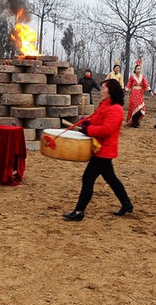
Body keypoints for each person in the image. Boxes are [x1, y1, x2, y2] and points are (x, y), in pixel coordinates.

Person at [62, 79, 134, 221]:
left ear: (111, 91)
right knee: (111, 178)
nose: (100, 91)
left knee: (88, 178)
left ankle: (79, 212)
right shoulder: (104, 105)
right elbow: (97, 120)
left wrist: (88, 129)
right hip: (99, 148)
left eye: (103, 88)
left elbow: (107, 130)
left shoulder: (116, 109)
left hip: (104, 150)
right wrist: (87, 122)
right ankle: (126, 204)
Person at [125, 59, 153, 128]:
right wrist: (125, 90)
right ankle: (134, 122)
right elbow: (128, 85)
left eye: (140, 69)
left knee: (141, 108)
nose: (139, 70)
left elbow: (146, 84)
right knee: (135, 108)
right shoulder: (132, 77)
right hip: (134, 93)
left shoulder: (142, 77)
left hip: (140, 93)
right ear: (135, 69)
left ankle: (137, 121)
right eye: (137, 69)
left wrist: (150, 91)